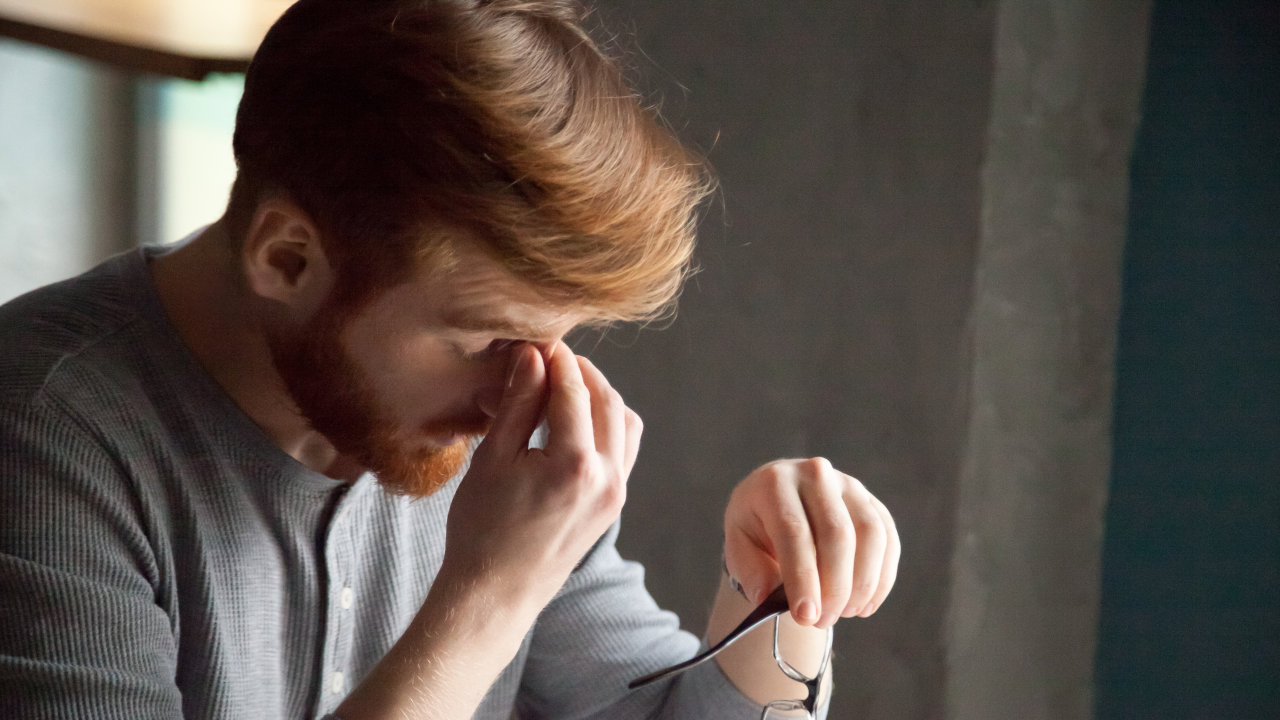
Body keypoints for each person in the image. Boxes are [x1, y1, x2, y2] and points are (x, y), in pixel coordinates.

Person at [0, 0, 900, 717]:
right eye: (487, 340)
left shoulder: (464, 429)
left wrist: (778, 599)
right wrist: (489, 592)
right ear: (286, 257)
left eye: (553, 339)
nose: (524, 393)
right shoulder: (42, 434)